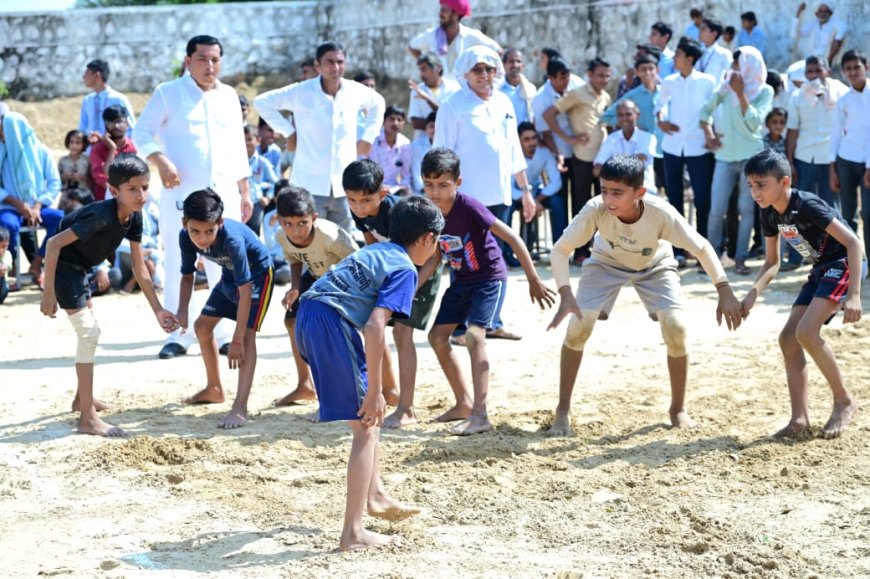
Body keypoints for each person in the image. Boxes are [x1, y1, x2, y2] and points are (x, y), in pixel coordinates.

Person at [546, 155, 743, 436]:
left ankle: (678, 408)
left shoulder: (660, 212)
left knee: (676, 327)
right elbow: (560, 249)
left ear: (639, 193)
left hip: (655, 265)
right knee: (579, 326)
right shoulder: (595, 209)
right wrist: (565, 293)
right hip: (605, 262)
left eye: (617, 193)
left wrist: (723, 288)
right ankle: (562, 410)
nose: (609, 199)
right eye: (604, 190)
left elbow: (701, 247)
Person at [296, 195, 441, 550]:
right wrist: (375, 390)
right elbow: (376, 328)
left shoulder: (376, 250)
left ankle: (374, 495)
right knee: (367, 424)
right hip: (330, 322)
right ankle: (353, 533)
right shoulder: (406, 268)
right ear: (426, 239)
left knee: (366, 426)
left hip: (308, 315)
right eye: (437, 241)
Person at [133, 34, 253, 360]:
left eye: (215, 59)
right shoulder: (168, 93)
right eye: (202, 59)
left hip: (224, 193)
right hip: (182, 195)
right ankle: (177, 333)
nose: (209, 66)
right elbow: (140, 131)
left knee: (226, 263)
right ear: (188, 61)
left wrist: (244, 191)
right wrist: (159, 159)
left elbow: (237, 146)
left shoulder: (229, 96)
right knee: (177, 261)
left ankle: (226, 332)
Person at [39, 155, 176, 437]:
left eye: (145, 187)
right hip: (64, 268)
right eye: (133, 189)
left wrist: (158, 309)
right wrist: (48, 292)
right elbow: (53, 245)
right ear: (114, 191)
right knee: (89, 333)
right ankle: (87, 418)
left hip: (82, 268)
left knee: (89, 333)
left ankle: (82, 400)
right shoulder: (100, 216)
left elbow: (140, 267)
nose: (141, 195)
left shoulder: (135, 217)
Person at [423, 148, 555, 435]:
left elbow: (512, 237)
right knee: (436, 337)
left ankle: (481, 415)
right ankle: (463, 403)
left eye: (443, 185)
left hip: (488, 278)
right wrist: (412, 286)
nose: (435, 192)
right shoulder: (429, 211)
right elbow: (434, 255)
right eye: (429, 184)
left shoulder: (469, 206)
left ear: (458, 183)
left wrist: (533, 278)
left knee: (473, 336)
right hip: (460, 281)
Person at [741, 149, 864, 439]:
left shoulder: (806, 205)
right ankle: (799, 419)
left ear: (784, 182)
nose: (755, 192)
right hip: (821, 269)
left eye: (761, 185)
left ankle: (844, 401)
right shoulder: (768, 213)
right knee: (788, 338)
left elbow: (855, 244)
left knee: (806, 332)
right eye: (750, 185)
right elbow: (772, 263)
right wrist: (752, 294)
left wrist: (855, 294)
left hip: (844, 262)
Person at [433, 45, 535, 336]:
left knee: (495, 259)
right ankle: (460, 326)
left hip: (501, 193)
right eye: (477, 69)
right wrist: (441, 197)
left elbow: (514, 150)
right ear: (465, 72)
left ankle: (491, 322)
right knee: (462, 260)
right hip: (465, 199)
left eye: (489, 69)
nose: (484, 75)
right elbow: (441, 153)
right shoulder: (453, 105)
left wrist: (525, 190)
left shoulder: (503, 101)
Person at [344, 160, 442, 428]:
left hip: (420, 273)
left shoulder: (400, 212)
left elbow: (435, 254)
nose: (359, 207)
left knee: (402, 333)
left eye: (366, 200)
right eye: (352, 201)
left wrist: (412, 286)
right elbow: (372, 243)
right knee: (374, 327)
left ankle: (406, 409)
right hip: (393, 275)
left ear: (383, 193)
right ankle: (391, 392)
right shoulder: (359, 212)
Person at [254, 41, 385, 233]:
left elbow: (378, 103)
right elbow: (261, 102)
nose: (335, 67)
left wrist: (367, 138)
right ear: (317, 65)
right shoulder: (301, 91)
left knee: (344, 245)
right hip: (309, 184)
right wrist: (288, 132)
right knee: (311, 245)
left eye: (340, 62)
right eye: (329, 62)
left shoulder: (354, 91)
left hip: (344, 184)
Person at [176, 188, 274, 429]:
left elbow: (245, 290)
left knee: (248, 337)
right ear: (184, 223)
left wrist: (237, 340)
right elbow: (187, 276)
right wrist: (181, 312)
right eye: (194, 231)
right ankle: (214, 388)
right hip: (230, 277)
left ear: (220, 222)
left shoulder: (232, 241)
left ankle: (240, 407)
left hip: (258, 276)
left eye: (209, 231)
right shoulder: (184, 237)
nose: (202, 238)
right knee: (201, 327)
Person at [270, 184, 357, 408]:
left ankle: (337, 395)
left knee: (323, 332)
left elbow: (359, 262)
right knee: (291, 321)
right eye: (288, 224)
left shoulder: (329, 236)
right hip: (316, 277)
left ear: (314, 218)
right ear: (278, 220)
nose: (296, 231)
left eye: (302, 224)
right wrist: (295, 287)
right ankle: (305, 385)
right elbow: (295, 257)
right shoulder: (282, 236)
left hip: (344, 280)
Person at [701, 46, 774, 276]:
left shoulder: (764, 91)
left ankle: (740, 258)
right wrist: (710, 136)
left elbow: (754, 123)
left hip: (751, 159)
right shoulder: (725, 87)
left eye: (737, 64)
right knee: (716, 209)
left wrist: (741, 94)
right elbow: (705, 112)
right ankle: (711, 258)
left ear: (749, 65)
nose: (734, 69)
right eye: (733, 65)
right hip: (723, 156)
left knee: (746, 210)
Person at [543, 57, 612, 264]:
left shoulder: (606, 97)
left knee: (606, 206)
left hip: (603, 160)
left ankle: (601, 251)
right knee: (583, 207)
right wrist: (568, 138)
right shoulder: (578, 93)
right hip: (582, 159)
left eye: (607, 76)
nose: (604, 79)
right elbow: (549, 114)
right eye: (600, 75)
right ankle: (580, 252)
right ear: (589, 75)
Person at [656, 37, 717, 260]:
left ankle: (701, 250)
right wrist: (660, 121)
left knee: (702, 199)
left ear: (689, 59)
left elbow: (713, 110)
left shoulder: (707, 81)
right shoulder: (669, 81)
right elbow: (659, 106)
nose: (674, 58)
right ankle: (677, 251)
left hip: (699, 146)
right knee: (674, 200)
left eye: (678, 55)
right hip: (672, 146)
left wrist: (713, 136)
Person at [0, 111, 64, 285]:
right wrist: (17, 203)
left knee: (60, 220)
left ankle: (37, 263)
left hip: (37, 207)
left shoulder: (41, 151)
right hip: (11, 207)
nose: (0, 133)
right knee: (8, 225)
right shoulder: (1, 151)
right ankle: (8, 267)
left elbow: (54, 183)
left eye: (3, 129)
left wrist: (36, 206)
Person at [786, 55, 847, 210]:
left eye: (818, 70)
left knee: (832, 209)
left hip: (831, 160)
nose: (814, 75)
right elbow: (792, 130)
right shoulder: (797, 95)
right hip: (805, 158)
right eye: (810, 71)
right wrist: (790, 162)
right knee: (801, 206)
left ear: (828, 71)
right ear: (806, 74)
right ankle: (802, 235)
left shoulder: (841, 92)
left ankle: (833, 236)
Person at [533, 55, 581, 242]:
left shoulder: (577, 84)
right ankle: (561, 244)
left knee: (580, 199)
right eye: (561, 79)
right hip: (557, 153)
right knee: (559, 199)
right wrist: (558, 153)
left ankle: (581, 246)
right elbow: (544, 133)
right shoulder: (540, 99)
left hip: (579, 151)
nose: (566, 82)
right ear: (550, 79)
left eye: (567, 77)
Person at [601, 54, 665, 193]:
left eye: (650, 69)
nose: (647, 73)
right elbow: (606, 116)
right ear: (637, 72)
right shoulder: (632, 96)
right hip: (643, 148)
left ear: (657, 70)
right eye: (643, 69)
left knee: (672, 192)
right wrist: (627, 122)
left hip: (664, 149)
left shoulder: (665, 93)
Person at [829, 50, 870, 265]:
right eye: (849, 69)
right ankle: (853, 263)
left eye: (857, 67)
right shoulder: (843, 99)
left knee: (869, 214)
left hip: (868, 163)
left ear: (866, 67)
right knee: (847, 214)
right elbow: (835, 133)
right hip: (846, 159)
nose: (853, 72)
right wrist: (832, 167)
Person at [407, 0, 502, 81]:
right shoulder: (431, 35)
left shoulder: (471, 35)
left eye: (444, 11)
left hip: (463, 92)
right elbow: (412, 47)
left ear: (455, 14)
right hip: (439, 92)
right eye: (441, 10)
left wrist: (478, 69)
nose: (440, 14)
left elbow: (497, 51)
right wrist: (427, 66)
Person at [512, 122, 564, 248]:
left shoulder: (544, 152)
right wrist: (527, 200)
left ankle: (560, 249)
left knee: (558, 202)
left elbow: (556, 182)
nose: (532, 142)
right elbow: (509, 189)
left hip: (537, 193)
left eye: (534, 138)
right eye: (526, 139)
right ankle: (506, 254)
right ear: (518, 141)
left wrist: (535, 200)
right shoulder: (511, 154)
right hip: (518, 195)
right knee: (505, 207)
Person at [594, 100, 657, 192]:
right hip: (616, 194)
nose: (624, 118)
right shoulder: (611, 139)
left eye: (628, 114)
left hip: (644, 192)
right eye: (620, 115)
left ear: (637, 115)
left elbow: (637, 165)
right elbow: (597, 170)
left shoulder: (649, 138)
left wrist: (611, 166)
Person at [79, 59, 136, 142]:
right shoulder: (88, 100)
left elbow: (131, 128)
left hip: (114, 150)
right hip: (91, 151)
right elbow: (82, 127)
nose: (83, 77)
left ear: (97, 75)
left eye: (87, 73)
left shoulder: (118, 99)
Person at [407, 52, 460, 140]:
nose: (421, 74)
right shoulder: (416, 90)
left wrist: (427, 99)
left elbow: (454, 118)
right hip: (423, 145)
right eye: (420, 70)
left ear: (437, 69)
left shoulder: (454, 88)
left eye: (424, 69)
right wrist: (443, 123)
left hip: (450, 139)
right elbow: (415, 122)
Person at [90, 105, 137, 201]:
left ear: (127, 123)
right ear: (105, 125)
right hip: (103, 202)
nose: (116, 126)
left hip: (130, 200)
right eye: (111, 122)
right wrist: (112, 149)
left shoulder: (134, 147)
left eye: (119, 121)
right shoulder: (97, 149)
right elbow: (102, 179)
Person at [366, 105, 413, 195]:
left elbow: (406, 175)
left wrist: (399, 188)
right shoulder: (372, 140)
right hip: (372, 187)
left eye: (399, 120)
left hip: (394, 190)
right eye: (391, 119)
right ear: (383, 121)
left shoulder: (405, 144)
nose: (395, 123)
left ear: (403, 124)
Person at [243, 124, 278, 236]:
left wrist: (268, 197)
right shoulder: (235, 161)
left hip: (256, 204)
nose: (246, 143)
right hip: (239, 202)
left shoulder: (263, 162)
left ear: (258, 140)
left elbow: (274, 182)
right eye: (243, 140)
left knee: (254, 233)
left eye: (249, 139)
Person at [499, 48, 536, 124]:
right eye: (511, 61)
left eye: (518, 61)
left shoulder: (530, 89)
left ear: (523, 66)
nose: (515, 65)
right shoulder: (497, 89)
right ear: (504, 64)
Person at [696, 19, 733, 83]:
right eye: (700, 29)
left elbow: (730, 76)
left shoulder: (724, 54)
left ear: (714, 34)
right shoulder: (694, 51)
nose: (699, 32)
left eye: (703, 29)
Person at [58, 130, 92, 198]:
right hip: (65, 194)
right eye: (71, 142)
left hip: (83, 194)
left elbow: (93, 181)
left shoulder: (87, 160)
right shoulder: (63, 161)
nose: (74, 146)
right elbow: (56, 181)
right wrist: (63, 177)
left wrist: (82, 178)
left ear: (84, 144)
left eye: (78, 143)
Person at [412, 112, 437, 196]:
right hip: (422, 191)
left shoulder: (449, 145)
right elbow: (416, 172)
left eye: (438, 126)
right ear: (426, 129)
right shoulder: (417, 145)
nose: (435, 130)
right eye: (431, 126)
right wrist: (425, 189)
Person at [0, 225, 11, 302]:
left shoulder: (7, 254)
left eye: (4, 246)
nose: (0, 250)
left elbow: (6, 266)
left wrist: (3, 268)